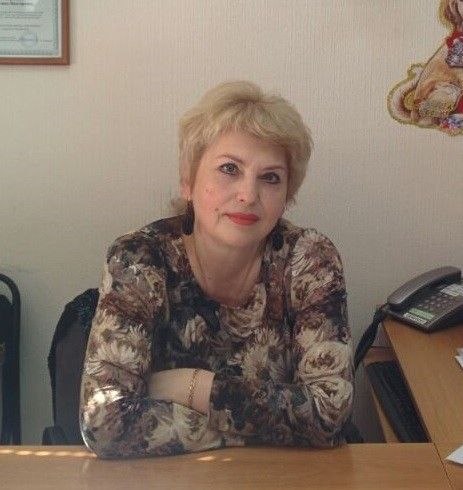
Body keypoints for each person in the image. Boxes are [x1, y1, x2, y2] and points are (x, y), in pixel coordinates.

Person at [79, 81, 354, 458]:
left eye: (270, 177)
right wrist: (273, 426)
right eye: (229, 169)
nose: (248, 195)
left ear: (287, 197)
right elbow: (106, 424)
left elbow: (330, 415)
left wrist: (192, 386)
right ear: (188, 182)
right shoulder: (139, 259)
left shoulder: (309, 259)